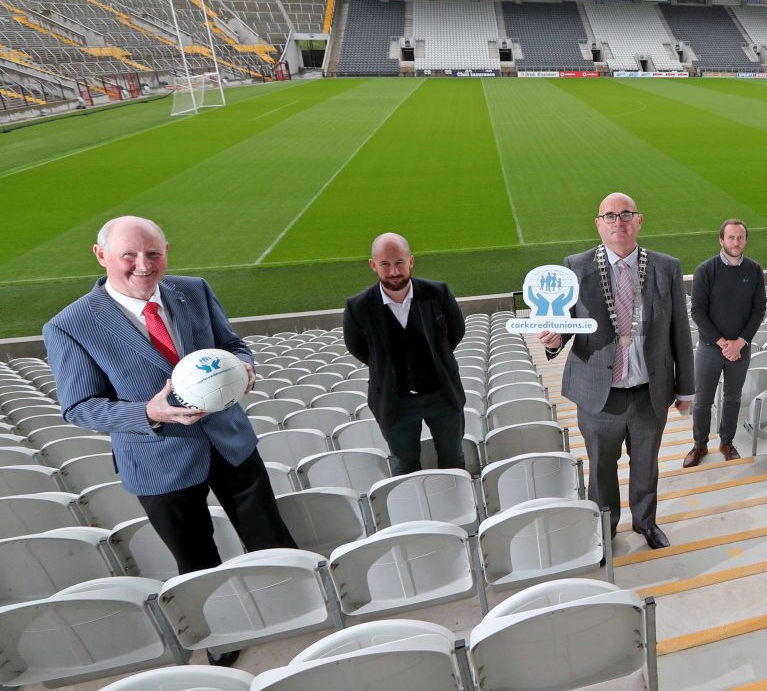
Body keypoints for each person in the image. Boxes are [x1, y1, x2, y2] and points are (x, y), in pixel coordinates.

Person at [43, 216, 298, 668]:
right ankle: (220, 633)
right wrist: (148, 412)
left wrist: (244, 367)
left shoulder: (193, 290)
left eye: (153, 253)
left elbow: (232, 343)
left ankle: (289, 603)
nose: (143, 265)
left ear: (167, 252)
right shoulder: (71, 325)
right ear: (101, 256)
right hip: (157, 458)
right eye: (129, 255)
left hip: (229, 439)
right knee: (195, 556)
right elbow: (79, 406)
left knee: (268, 533)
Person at [538, 193, 693, 550]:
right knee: (601, 469)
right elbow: (564, 324)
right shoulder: (575, 266)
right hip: (598, 395)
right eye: (609, 216)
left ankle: (645, 522)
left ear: (639, 221)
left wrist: (685, 389)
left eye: (626, 215)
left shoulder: (666, 267)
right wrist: (552, 339)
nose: (618, 222)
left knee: (646, 465)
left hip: (648, 393)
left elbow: (680, 333)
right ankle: (605, 528)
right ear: (598, 224)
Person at [342, 232, 466, 476]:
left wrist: (436, 360)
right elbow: (357, 348)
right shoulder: (358, 307)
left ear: (411, 261)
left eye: (399, 263)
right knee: (405, 468)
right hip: (394, 403)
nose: (393, 272)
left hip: (443, 396)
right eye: (385, 264)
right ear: (373, 265)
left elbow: (456, 331)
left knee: (453, 459)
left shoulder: (438, 293)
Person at [684, 219, 767, 468]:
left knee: (732, 399)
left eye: (740, 237)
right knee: (701, 401)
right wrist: (723, 343)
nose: (736, 242)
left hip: (740, 349)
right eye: (731, 237)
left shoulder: (754, 270)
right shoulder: (706, 270)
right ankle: (699, 445)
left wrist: (739, 343)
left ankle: (726, 443)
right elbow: (698, 312)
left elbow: (758, 310)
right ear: (721, 240)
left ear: (745, 240)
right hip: (710, 349)